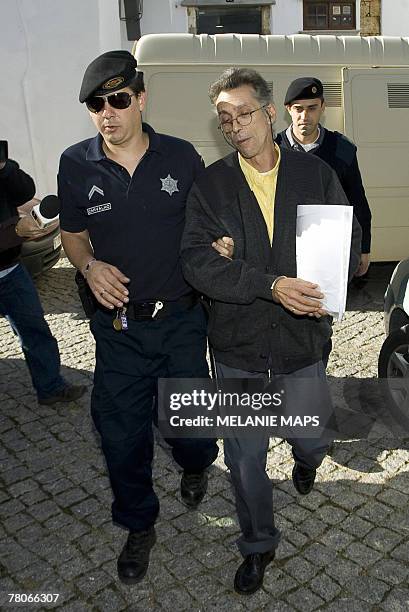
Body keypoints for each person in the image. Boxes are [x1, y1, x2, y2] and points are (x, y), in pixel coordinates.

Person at [181, 67, 361, 595]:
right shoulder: (211, 185)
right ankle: (258, 544)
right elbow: (195, 261)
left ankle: (307, 460)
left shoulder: (316, 175)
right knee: (245, 460)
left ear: (270, 113)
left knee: (311, 433)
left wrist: (329, 286)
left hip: (302, 343)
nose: (236, 125)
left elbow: (344, 246)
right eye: (225, 118)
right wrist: (269, 282)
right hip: (237, 348)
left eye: (244, 113)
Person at [58, 50, 231, 585]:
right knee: (119, 432)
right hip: (120, 329)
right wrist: (87, 266)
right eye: (96, 105)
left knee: (192, 428)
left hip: (181, 322)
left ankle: (198, 464)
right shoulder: (76, 163)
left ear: (140, 99)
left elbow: (207, 226)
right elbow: (72, 232)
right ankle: (138, 522)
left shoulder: (181, 158)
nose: (107, 113)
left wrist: (218, 245)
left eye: (117, 100)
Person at [0, 157, 86, 405]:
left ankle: (51, 387)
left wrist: (6, 168)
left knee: (36, 332)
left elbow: (25, 191)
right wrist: (15, 231)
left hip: (11, 271)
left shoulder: (3, 170)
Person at [276, 76, 371, 278]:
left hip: (329, 250)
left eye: (312, 108)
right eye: (298, 109)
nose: (305, 116)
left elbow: (357, 201)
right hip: (283, 250)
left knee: (325, 307)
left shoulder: (341, 149)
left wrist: (363, 248)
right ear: (288, 109)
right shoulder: (273, 149)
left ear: (323, 107)